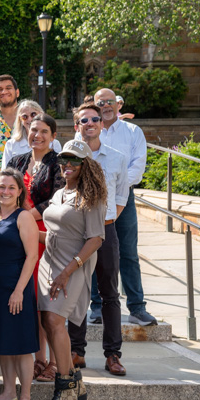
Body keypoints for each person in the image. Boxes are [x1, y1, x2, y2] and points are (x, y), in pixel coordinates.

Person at [37, 139, 107, 400]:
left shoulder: (91, 197)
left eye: (74, 161)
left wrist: (68, 270)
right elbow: (54, 233)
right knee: (47, 321)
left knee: (55, 321)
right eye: (64, 160)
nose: (67, 165)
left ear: (85, 165)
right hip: (47, 264)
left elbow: (96, 239)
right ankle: (76, 386)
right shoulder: (59, 193)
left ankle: (65, 390)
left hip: (72, 267)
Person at [68, 102, 129, 377]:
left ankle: (113, 354)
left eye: (94, 119)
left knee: (109, 294)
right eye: (84, 120)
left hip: (105, 232)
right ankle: (76, 350)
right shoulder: (68, 155)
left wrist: (102, 224)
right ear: (77, 125)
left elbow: (120, 199)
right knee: (77, 292)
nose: (90, 123)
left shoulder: (116, 157)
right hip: (76, 234)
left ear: (102, 124)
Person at [0, 168, 40, 400]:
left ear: (19, 192)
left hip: (16, 285)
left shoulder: (23, 217)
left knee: (22, 344)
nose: (5, 191)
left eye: (11, 187)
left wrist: (19, 291)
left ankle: (25, 396)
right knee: (4, 343)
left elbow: (32, 256)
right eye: (1, 187)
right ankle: (8, 392)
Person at [8, 113, 65, 382]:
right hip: (20, 238)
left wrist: (26, 217)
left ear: (53, 136)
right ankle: (38, 359)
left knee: (47, 303)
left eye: (43, 131)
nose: (37, 135)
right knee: (31, 301)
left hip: (47, 238)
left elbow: (58, 199)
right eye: (33, 130)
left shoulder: (59, 164)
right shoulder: (16, 161)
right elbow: (4, 189)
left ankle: (55, 362)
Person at [96, 87, 154, 326]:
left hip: (124, 198)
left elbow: (137, 168)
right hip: (95, 200)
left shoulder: (133, 132)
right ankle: (96, 307)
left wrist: (116, 188)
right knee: (93, 250)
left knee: (128, 253)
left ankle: (137, 308)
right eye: (101, 102)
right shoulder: (88, 129)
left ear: (118, 105)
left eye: (110, 101)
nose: (106, 106)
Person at [1, 100, 62, 168]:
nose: (29, 119)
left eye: (33, 114)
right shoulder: (11, 144)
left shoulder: (54, 143)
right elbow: (5, 172)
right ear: (20, 119)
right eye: (24, 117)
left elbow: (59, 169)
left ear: (41, 114)